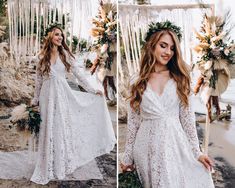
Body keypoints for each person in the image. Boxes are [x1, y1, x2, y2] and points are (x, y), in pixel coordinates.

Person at [120, 21, 215, 188]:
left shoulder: (180, 79)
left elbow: (187, 121)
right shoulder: (136, 81)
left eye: (172, 48)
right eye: (163, 46)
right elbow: (133, 123)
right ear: (152, 45)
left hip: (174, 145)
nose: (168, 52)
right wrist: (127, 157)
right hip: (145, 148)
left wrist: (197, 153)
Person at [27, 23, 116, 184]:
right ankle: (47, 162)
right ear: (49, 37)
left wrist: (91, 89)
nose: (60, 37)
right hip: (47, 96)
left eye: (61, 35)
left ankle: (60, 162)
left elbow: (80, 75)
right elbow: (38, 81)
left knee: (60, 126)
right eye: (56, 34)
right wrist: (35, 101)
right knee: (48, 127)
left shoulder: (65, 55)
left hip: (62, 95)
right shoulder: (41, 57)